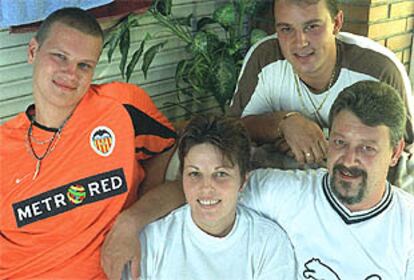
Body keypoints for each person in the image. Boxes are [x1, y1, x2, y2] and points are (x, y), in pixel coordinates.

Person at [0, 7, 184, 279]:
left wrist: (132, 218)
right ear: (32, 52)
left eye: (84, 65)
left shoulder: (122, 108)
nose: (70, 73)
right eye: (60, 56)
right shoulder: (4, 146)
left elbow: (170, 152)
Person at [228, 0, 414, 188]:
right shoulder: (264, 58)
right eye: (286, 29)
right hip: (284, 186)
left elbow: (401, 150)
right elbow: (230, 131)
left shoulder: (378, 70)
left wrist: (325, 144)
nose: (300, 42)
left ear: (337, 23)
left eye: (312, 26)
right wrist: (283, 123)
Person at [240, 80, 414, 279]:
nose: (349, 160)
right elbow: (214, 191)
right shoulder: (285, 194)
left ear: (395, 152)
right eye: (340, 142)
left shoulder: (408, 227)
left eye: (367, 148)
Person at [123, 115, 297, 279]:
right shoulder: (154, 239)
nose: (206, 187)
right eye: (194, 173)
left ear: (243, 181)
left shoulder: (268, 244)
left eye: (220, 174)